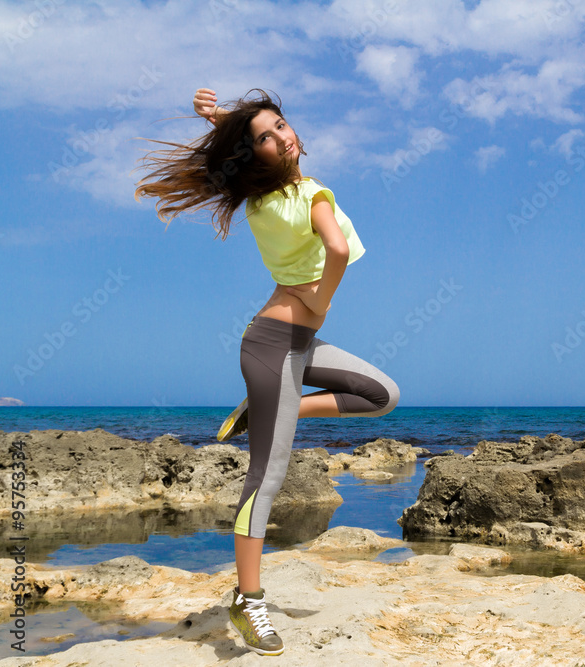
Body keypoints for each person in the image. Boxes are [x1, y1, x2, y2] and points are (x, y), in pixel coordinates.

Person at [134, 88, 399, 656]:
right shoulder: (310, 195)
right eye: (268, 138)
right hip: (276, 344)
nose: (284, 137)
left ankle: (272, 409)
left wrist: (221, 120)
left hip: (296, 344)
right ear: (257, 157)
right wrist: (323, 301)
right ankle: (247, 599)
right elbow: (333, 249)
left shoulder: (268, 199)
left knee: (381, 394)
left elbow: (262, 164)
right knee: (267, 477)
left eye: (283, 126)